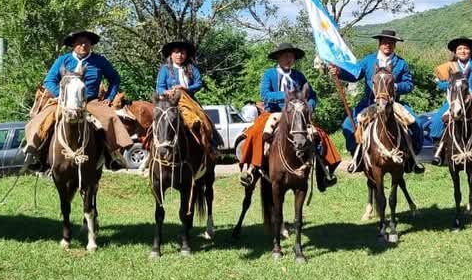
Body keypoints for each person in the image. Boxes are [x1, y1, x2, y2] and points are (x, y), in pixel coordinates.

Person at [23, 31, 133, 171]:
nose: (83, 45)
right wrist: (60, 94)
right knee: (42, 119)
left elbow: (115, 78)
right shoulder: (63, 60)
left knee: (109, 117)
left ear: (91, 45)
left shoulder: (99, 61)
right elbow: (49, 80)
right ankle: (37, 155)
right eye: (80, 42)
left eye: (86, 42)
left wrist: (109, 97)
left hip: (90, 102)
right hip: (63, 101)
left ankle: (113, 155)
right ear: (73, 45)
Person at [238, 43, 341, 191]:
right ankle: (252, 170)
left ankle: (324, 172)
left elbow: (311, 95)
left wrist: (309, 107)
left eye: (291, 57)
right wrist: (287, 95)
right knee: (257, 132)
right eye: (285, 56)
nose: (288, 59)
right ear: (278, 58)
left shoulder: (299, 76)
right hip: (275, 112)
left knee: (319, 135)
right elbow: (265, 94)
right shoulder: (269, 74)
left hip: (297, 113)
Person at [330, 29, 424, 174]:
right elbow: (355, 75)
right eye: (385, 42)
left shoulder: (401, 63)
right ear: (379, 44)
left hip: (393, 103)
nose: (387, 45)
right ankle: (358, 157)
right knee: (348, 124)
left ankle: (411, 159)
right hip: (369, 103)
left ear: (394, 45)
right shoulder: (368, 61)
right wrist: (339, 72)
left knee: (416, 123)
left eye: (391, 43)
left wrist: (396, 86)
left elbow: (409, 84)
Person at [154, 40, 216, 150]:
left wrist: (186, 89)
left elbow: (199, 83)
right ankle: (152, 146)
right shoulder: (165, 69)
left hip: (189, 100)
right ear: (171, 54)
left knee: (203, 119)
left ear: (186, 55)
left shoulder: (192, 68)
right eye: (176, 52)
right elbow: (159, 87)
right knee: (158, 119)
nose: (179, 55)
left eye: (182, 53)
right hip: (169, 102)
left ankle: (210, 145)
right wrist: (166, 92)